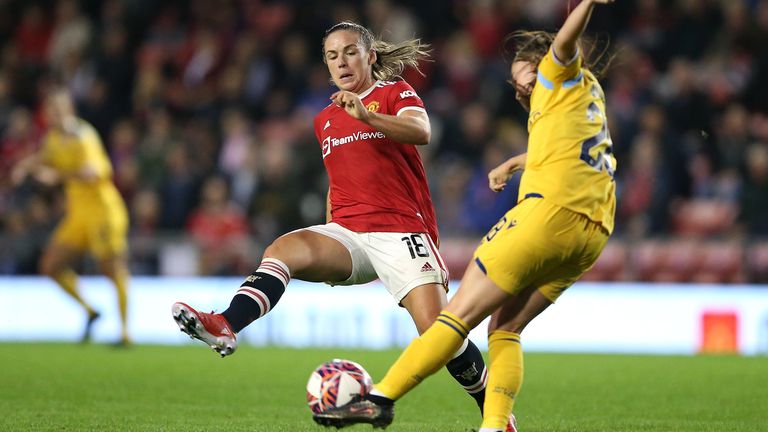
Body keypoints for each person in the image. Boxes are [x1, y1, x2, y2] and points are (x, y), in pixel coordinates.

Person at [172, 21, 503, 422]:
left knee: (440, 335)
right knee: (282, 250)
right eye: (332, 56)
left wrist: (368, 117)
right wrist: (330, 233)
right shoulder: (325, 118)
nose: (341, 62)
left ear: (370, 56)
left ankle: (497, 414)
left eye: (350, 52)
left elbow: (422, 131)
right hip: (347, 234)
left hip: (401, 230)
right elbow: (339, 178)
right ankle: (226, 322)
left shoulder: (394, 92)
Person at [313, 1, 617, 430]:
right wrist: (516, 163)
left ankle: (379, 397)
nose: (520, 89)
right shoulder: (587, 94)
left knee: (454, 318)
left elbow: (564, 42)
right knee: (505, 328)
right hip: (593, 231)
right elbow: (573, 151)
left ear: (541, 60)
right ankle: (495, 426)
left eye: (522, 77)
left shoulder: (555, 70)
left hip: (547, 216)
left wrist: (584, 5)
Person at [11, 87, 131, 346]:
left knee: (110, 269)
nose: (52, 116)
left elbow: (95, 173)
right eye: (48, 112)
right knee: (50, 266)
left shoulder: (83, 136)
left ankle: (125, 332)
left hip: (103, 211)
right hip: (78, 214)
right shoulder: (54, 138)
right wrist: (24, 167)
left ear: (68, 110)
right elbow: (44, 158)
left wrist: (57, 176)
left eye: (56, 110)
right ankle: (91, 310)